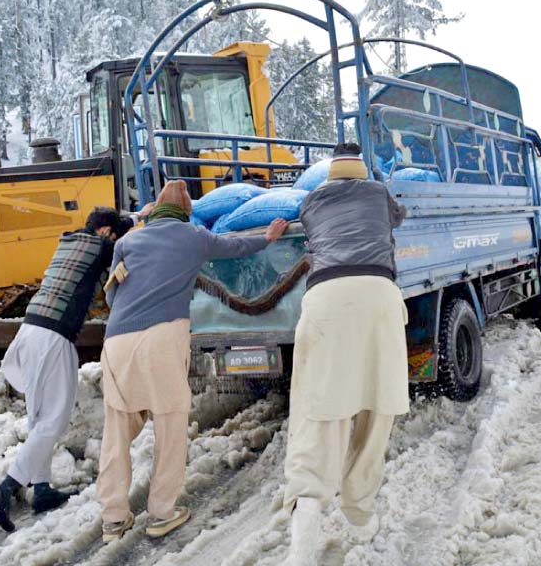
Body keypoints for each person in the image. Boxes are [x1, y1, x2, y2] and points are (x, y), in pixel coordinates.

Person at [97, 180, 288, 543]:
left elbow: (111, 295)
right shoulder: (193, 236)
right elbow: (234, 247)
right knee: (169, 425)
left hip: (116, 341)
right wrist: (268, 238)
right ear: (186, 212)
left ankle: (113, 518)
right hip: (160, 339)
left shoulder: (127, 241)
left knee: (116, 432)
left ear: (153, 212)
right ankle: (161, 514)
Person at [283, 143, 410, 565]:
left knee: (317, 411)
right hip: (379, 296)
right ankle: (359, 510)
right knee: (377, 407)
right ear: (361, 168)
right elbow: (399, 217)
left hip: (326, 299)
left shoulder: (311, 200)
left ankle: (305, 519)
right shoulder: (378, 193)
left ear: (330, 173)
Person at [0, 206, 137, 533]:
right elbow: (128, 244)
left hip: (30, 333)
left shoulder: (69, 243)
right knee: (53, 420)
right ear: (108, 233)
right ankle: (6, 488)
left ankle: (41, 490)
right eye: (115, 236)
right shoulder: (99, 245)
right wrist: (140, 218)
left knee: (39, 418)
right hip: (54, 337)